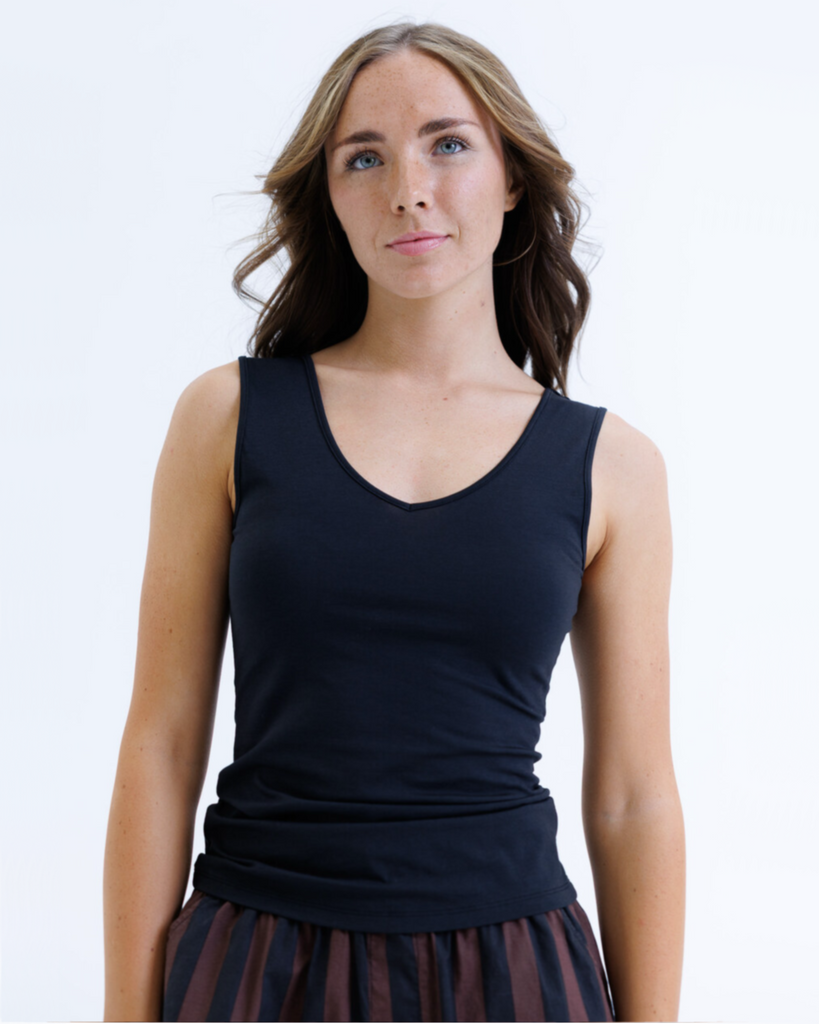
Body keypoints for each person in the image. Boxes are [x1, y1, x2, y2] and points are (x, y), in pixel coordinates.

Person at [103, 19, 685, 1024]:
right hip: (256, 958)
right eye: (363, 157)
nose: (407, 185)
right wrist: (125, 1010)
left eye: (447, 143)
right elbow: (160, 743)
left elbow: (634, 792)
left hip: (515, 974)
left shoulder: (613, 467)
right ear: (328, 197)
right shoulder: (228, 419)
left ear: (512, 178)